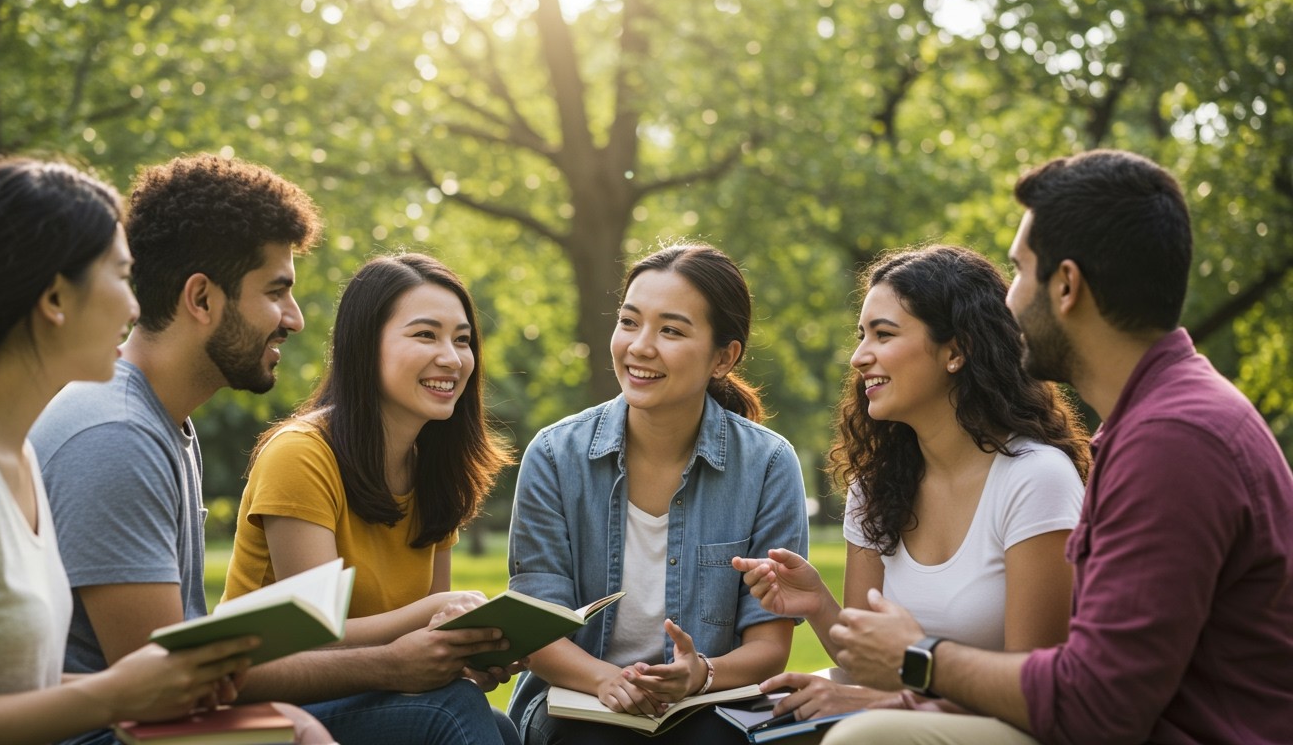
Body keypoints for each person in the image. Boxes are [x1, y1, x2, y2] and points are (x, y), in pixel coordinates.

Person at [29, 155, 512, 745]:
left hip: (155, 717)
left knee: (491, 723)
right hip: (108, 734)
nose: (296, 319)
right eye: (277, 292)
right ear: (202, 299)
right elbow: (162, 690)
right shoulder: (115, 434)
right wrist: (381, 670)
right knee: (447, 716)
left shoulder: (160, 425)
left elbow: (189, 654)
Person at [825, 149, 1293, 744]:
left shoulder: (1174, 442)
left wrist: (920, 657)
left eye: (1020, 272)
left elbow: (1097, 709)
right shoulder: (1155, 423)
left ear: (1066, 285)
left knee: (863, 740)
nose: (1009, 301)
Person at [0, 158, 270, 744]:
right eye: (120, 277)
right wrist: (114, 694)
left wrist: (152, 685)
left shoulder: (13, 456)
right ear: (57, 298)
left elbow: (0, 688)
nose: (136, 307)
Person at [732, 245, 1089, 721]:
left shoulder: (1034, 478)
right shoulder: (875, 489)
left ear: (956, 351)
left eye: (883, 334)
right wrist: (818, 603)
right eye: (862, 335)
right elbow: (869, 668)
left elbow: (1033, 689)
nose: (859, 357)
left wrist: (885, 705)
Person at [507, 243, 810, 744]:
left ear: (724, 357)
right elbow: (539, 633)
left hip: (708, 705)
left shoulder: (768, 465)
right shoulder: (555, 456)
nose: (640, 347)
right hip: (578, 700)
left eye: (671, 330)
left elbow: (768, 645)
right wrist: (608, 680)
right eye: (629, 322)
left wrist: (700, 674)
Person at [221, 252, 520, 742]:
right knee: (452, 713)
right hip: (272, 700)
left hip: (361, 691)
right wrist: (434, 612)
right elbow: (313, 635)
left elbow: (424, 634)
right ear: (365, 346)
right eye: (425, 335)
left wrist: (466, 649)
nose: (451, 357)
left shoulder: (434, 470)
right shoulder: (301, 455)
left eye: (462, 340)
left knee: (500, 727)